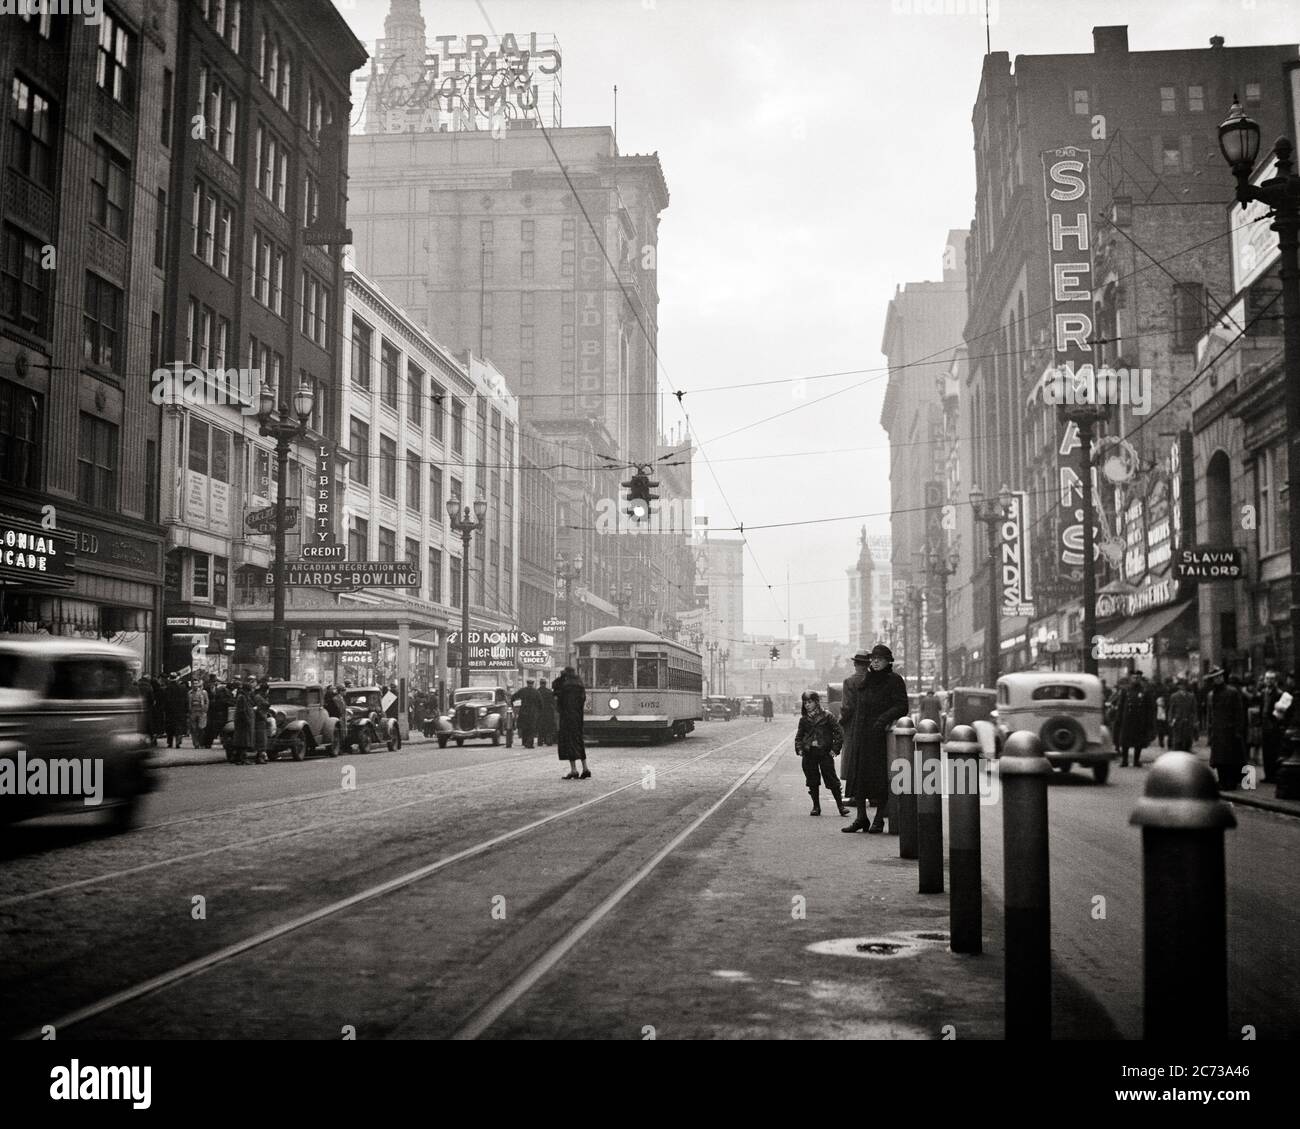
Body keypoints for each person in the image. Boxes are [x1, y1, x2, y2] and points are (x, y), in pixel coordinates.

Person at [840, 644, 908, 833]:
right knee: (859, 778)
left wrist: (883, 719)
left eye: (880, 658)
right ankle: (861, 818)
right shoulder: (868, 679)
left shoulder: (894, 680)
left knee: (880, 779)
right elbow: (860, 705)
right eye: (874, 658)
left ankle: (879, 819)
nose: (876, 661)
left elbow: (902, 705)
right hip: (862, 735)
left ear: (888, 661)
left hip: (880, 737)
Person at [795, 691, 848, 816]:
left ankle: (841, 807)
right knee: (812, 780)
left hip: (824, 752)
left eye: (810, 702)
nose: (807, 705)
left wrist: (835, 749)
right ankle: (816, 807)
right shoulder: (803, 720)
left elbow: (839, 733)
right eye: (805, 702)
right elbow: (799, 737)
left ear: (816, 702)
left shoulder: (827, 716)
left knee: (832, 780)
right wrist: (800, 749)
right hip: (809, 753)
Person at [1206, 668, 1246, 792]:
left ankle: (1231, 781)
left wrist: (1238, 730)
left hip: (1230, 730)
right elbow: (1210, 714)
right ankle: (1222, 781)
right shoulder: (1211, 695)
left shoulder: (1232, 692)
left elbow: (1239, 712)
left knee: (1230, 758)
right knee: (1219, 759)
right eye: (1215, 677)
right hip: (1217, 731)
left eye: (1220, 676)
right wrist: (1210, 731)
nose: (1218, 679)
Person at [554, 666, 590, 779]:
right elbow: (582, 700)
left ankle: (574, 770)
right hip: (578, 717)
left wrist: (561, 677)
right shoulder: (580, 684)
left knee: (569, 742)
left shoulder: (565, 686)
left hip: (567, 717)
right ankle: (585, 768)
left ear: (566, 674)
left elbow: (556, 691)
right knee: (579, 740)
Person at [1115, 671, 1156, 767]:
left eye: (1138, 677)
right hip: (1127, 719)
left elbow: (1150, 707)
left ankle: (1136, 760)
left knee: (1139, 742)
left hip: (1140, 719)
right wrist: (1118, 718)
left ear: (1140, 679)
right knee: (1125, 741)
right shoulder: (1125, 690)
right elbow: (1121, 705)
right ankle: (1124, 760)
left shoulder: (1145, 691)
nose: (1136, 679)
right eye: (1134, 677)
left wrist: (1149, 720)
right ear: (1131, 678)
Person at [1168, 678, 1198, 751]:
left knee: (1188, 741)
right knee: (1178, 742)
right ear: (1179, 686)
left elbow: (1194, 710)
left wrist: (1195, 721)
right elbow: (1171, 709)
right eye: (1181, 685)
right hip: (1178, 721)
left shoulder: (1191, 696)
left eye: (1185, 685)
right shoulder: (1174, 696)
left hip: (1188, 721)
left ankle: (1187, 752)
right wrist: (1170, 720)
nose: (1183, 687)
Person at [512, 679, 543, 748]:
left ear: (527, 683)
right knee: (531, 728)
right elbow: (540, 703)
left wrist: (512, 705)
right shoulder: (536, 692)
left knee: (524, 727)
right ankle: (529, 743)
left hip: (524, 712)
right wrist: (539, 711)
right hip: (533, 713)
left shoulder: (522, 691)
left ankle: (524, 741)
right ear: (533, 684)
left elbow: (513, 697)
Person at [231, 679, 255, 766]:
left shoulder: (245, 697)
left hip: (244, 722)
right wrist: (247, 720)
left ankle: (240, 758)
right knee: (243, 741)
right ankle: (241, 758)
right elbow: (242, 711)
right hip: (243, 723)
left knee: (244, 741)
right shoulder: (242, 698)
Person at [164, 674, 189, 748]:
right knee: (179, 726)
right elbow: (186, 700)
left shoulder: (167, 688)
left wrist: (165, 709)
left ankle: (170, 742)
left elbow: (165, 701)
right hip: (180, 711)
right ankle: (178, 742)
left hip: (170, 711)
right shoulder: (182, 688)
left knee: (170, 727)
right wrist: (186, 710)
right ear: (177, 679)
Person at [252, 679, 272, 765]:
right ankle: (260, 757)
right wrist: (264, 717)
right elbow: (259, 709)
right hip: (259, 720)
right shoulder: (259, 698)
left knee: (263, 739)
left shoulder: (261, 697)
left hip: (262, 720)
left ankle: (260, 756)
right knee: (261, 739)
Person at [187, 677, 209, 749]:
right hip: (193, 711)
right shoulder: (189, 693)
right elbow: (188, 703)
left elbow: (207, 701)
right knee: (193, 728)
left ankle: (200, 742)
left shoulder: (203, 692)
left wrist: (205, 710)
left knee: (201, 728)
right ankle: (196, 743)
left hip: (201, 711)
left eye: (196, 683)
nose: (195, 685)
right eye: (194, 684)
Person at [536, 678, 557, 746]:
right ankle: (549, 741)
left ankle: (540, 742)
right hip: (548, 712)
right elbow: (553, 702)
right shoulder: (549, 692)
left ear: (540, 683)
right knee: (549, 727)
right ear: (545, 684)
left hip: (540, 712)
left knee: (540, 727)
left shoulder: (537, 691)